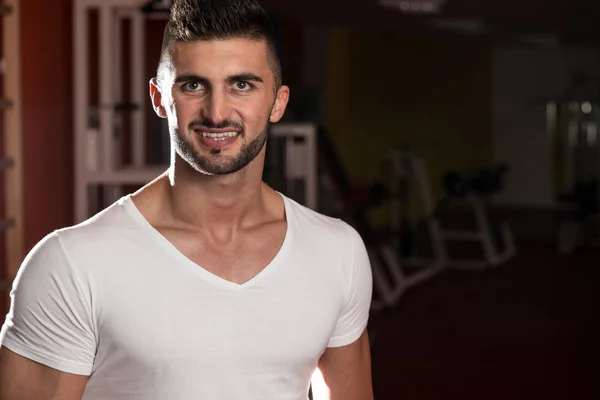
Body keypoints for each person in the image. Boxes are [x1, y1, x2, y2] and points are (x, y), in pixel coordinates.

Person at [0, 0, 374, 398]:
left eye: (241, 85)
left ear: (278, 102)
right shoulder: (71, 264)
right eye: (193, 85)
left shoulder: (337, 251)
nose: (216, 113)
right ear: (159, 98)